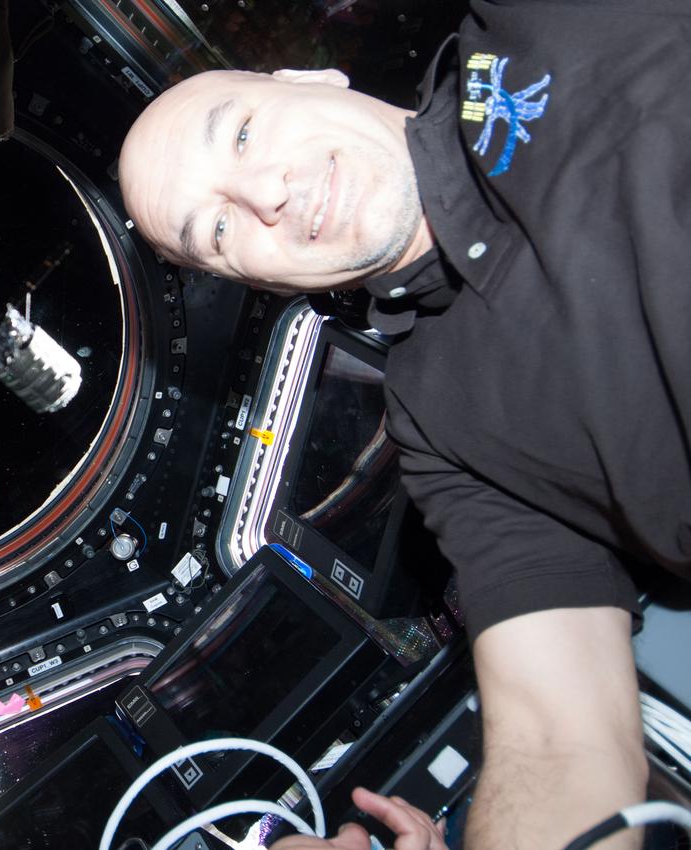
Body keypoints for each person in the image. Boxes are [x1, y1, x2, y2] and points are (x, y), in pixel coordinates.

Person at [117, 1, 691, 848]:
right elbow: (557, 742)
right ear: (260, 285)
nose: (268, 191)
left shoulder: (543, 18)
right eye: (222, 230)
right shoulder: (437, 427)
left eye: (240, 135)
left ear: (310, 78)